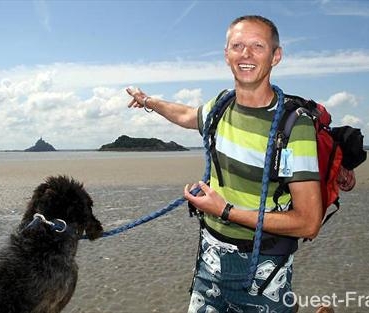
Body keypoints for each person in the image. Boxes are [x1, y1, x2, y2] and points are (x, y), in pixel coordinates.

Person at [126, 15, 323, 313]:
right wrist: (149, 101)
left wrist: (225, 211)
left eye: (258, 46)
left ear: (276, 56)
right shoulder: (220, 107)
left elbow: (308, 221)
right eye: (238, 46)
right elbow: (187, 115)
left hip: (264, 272)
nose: (246, 54)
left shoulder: (295, 125)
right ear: (226, 54)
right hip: (209, 262)